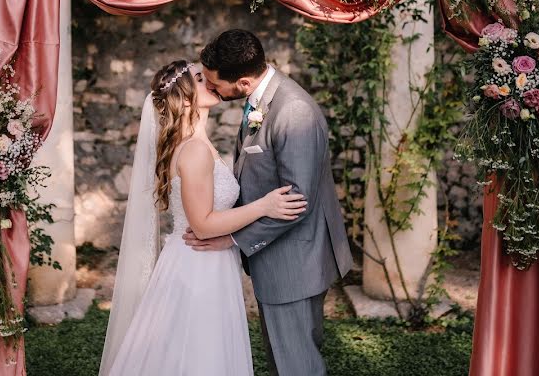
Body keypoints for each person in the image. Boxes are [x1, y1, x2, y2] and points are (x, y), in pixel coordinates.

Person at [99, 59, 307, 376]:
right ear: (185, 99)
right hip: (197, 268)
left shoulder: (199, 143)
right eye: (200, 77)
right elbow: (203, 225)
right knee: (199, 355)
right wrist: (264, 206)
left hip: (208, 261)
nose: (210, 78)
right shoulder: (194, 150)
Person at [185, 29, 353, 376]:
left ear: (244, 82)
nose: (212, 89)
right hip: (277, 258)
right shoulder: (261, 100)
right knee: (283, 361)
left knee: (296, 365)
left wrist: (231, 238)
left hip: (294, 261)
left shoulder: (293, 111)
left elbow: (296, 201)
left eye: (216, 84)